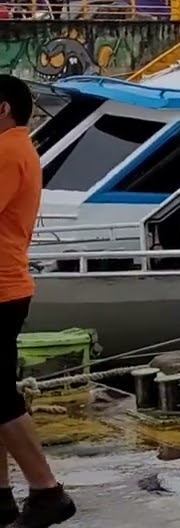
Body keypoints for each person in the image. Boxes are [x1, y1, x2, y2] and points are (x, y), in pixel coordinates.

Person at [0, 76, 76, 527]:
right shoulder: (15, 148)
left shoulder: (8, 151)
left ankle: (47, 491)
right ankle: (1, 494)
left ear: (3, 108)